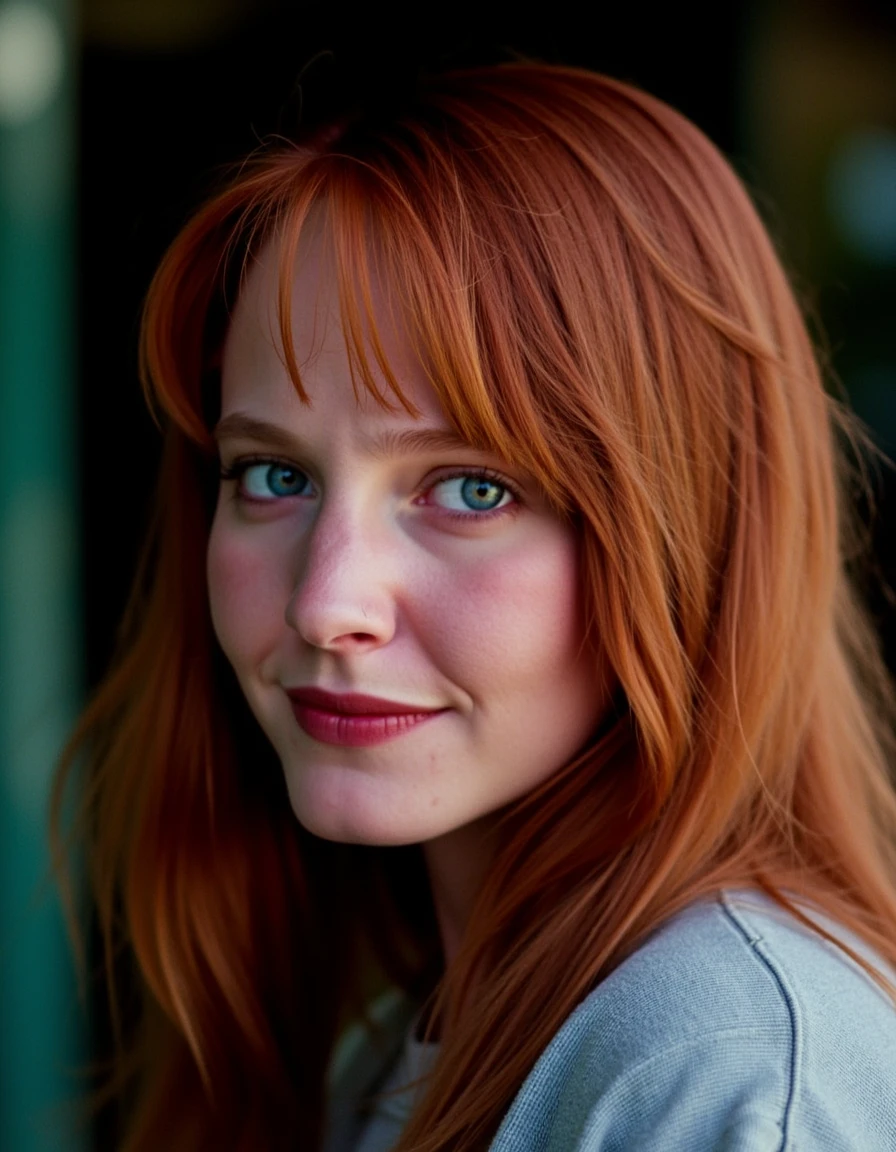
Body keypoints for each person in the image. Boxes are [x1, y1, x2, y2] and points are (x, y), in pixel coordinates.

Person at [51, 62, 896, 1151]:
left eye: (470, 489)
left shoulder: (725, 1080)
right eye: (272, 475)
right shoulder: (396, 1046)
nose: (326, 605)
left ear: (690, 531)